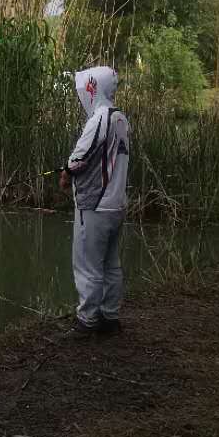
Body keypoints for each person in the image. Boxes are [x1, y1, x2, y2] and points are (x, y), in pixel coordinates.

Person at [58, 66, 130, 334]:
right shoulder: (121, 118)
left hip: (95, 205)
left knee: (87, 265)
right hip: (116, 204)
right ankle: (110, 317)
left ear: (92, 88)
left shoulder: (100, 117)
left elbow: (80, 156)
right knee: (111, 264)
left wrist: (66, 171)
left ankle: (87, 321)